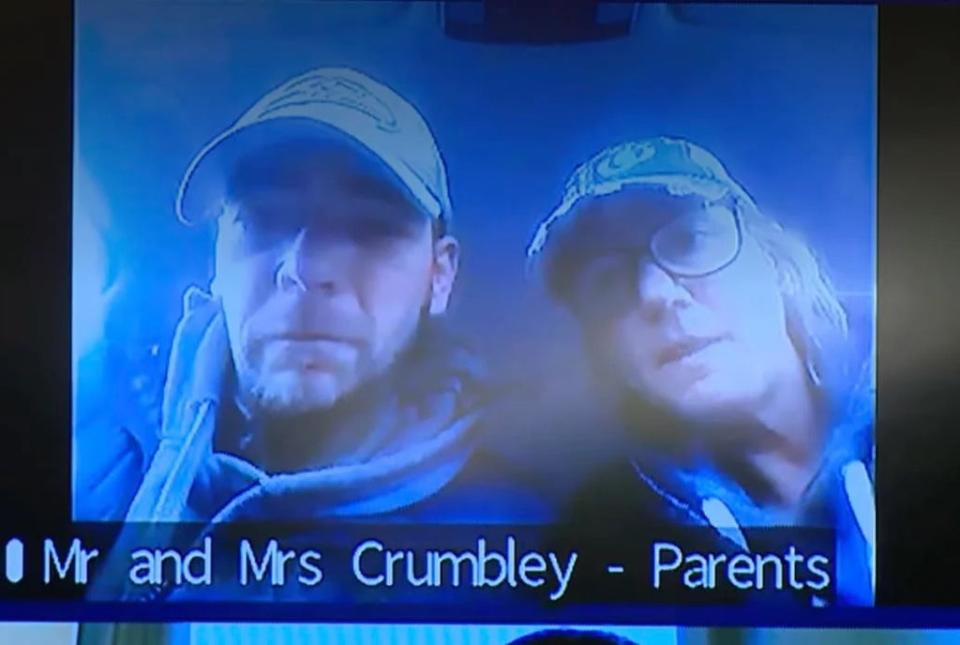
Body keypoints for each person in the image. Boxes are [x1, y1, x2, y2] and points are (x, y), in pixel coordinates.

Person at [77, 68, 549, 597]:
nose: (305, 267)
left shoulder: (516, 545)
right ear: (215, 260)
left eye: (371, 227)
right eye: (262, 218)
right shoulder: (89, 438)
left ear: (438, 278)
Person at [527, 137, 874, 605]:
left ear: (773, 260)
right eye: (608, 280)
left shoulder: (933, 418)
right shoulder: (596, 542)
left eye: (689, 240)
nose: (651, 293)